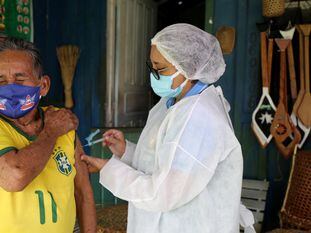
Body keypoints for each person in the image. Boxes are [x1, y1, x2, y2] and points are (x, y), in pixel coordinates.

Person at [81, 23, 251, 233]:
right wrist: (127, 152)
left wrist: (107, 168)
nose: (154, 75)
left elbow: (163, 192)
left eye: (160, 69)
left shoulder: (200, 119)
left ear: (188, 68)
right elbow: (165, 161)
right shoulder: (171, 102)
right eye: (151, 66)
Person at [0, 37, 97, 233]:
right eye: (1, 81)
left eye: (20, 79)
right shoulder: (57, 125)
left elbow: (83, 192)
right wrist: (51, 132)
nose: (10, 88)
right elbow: (14, 177)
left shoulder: (63, 123)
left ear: (43, 85)